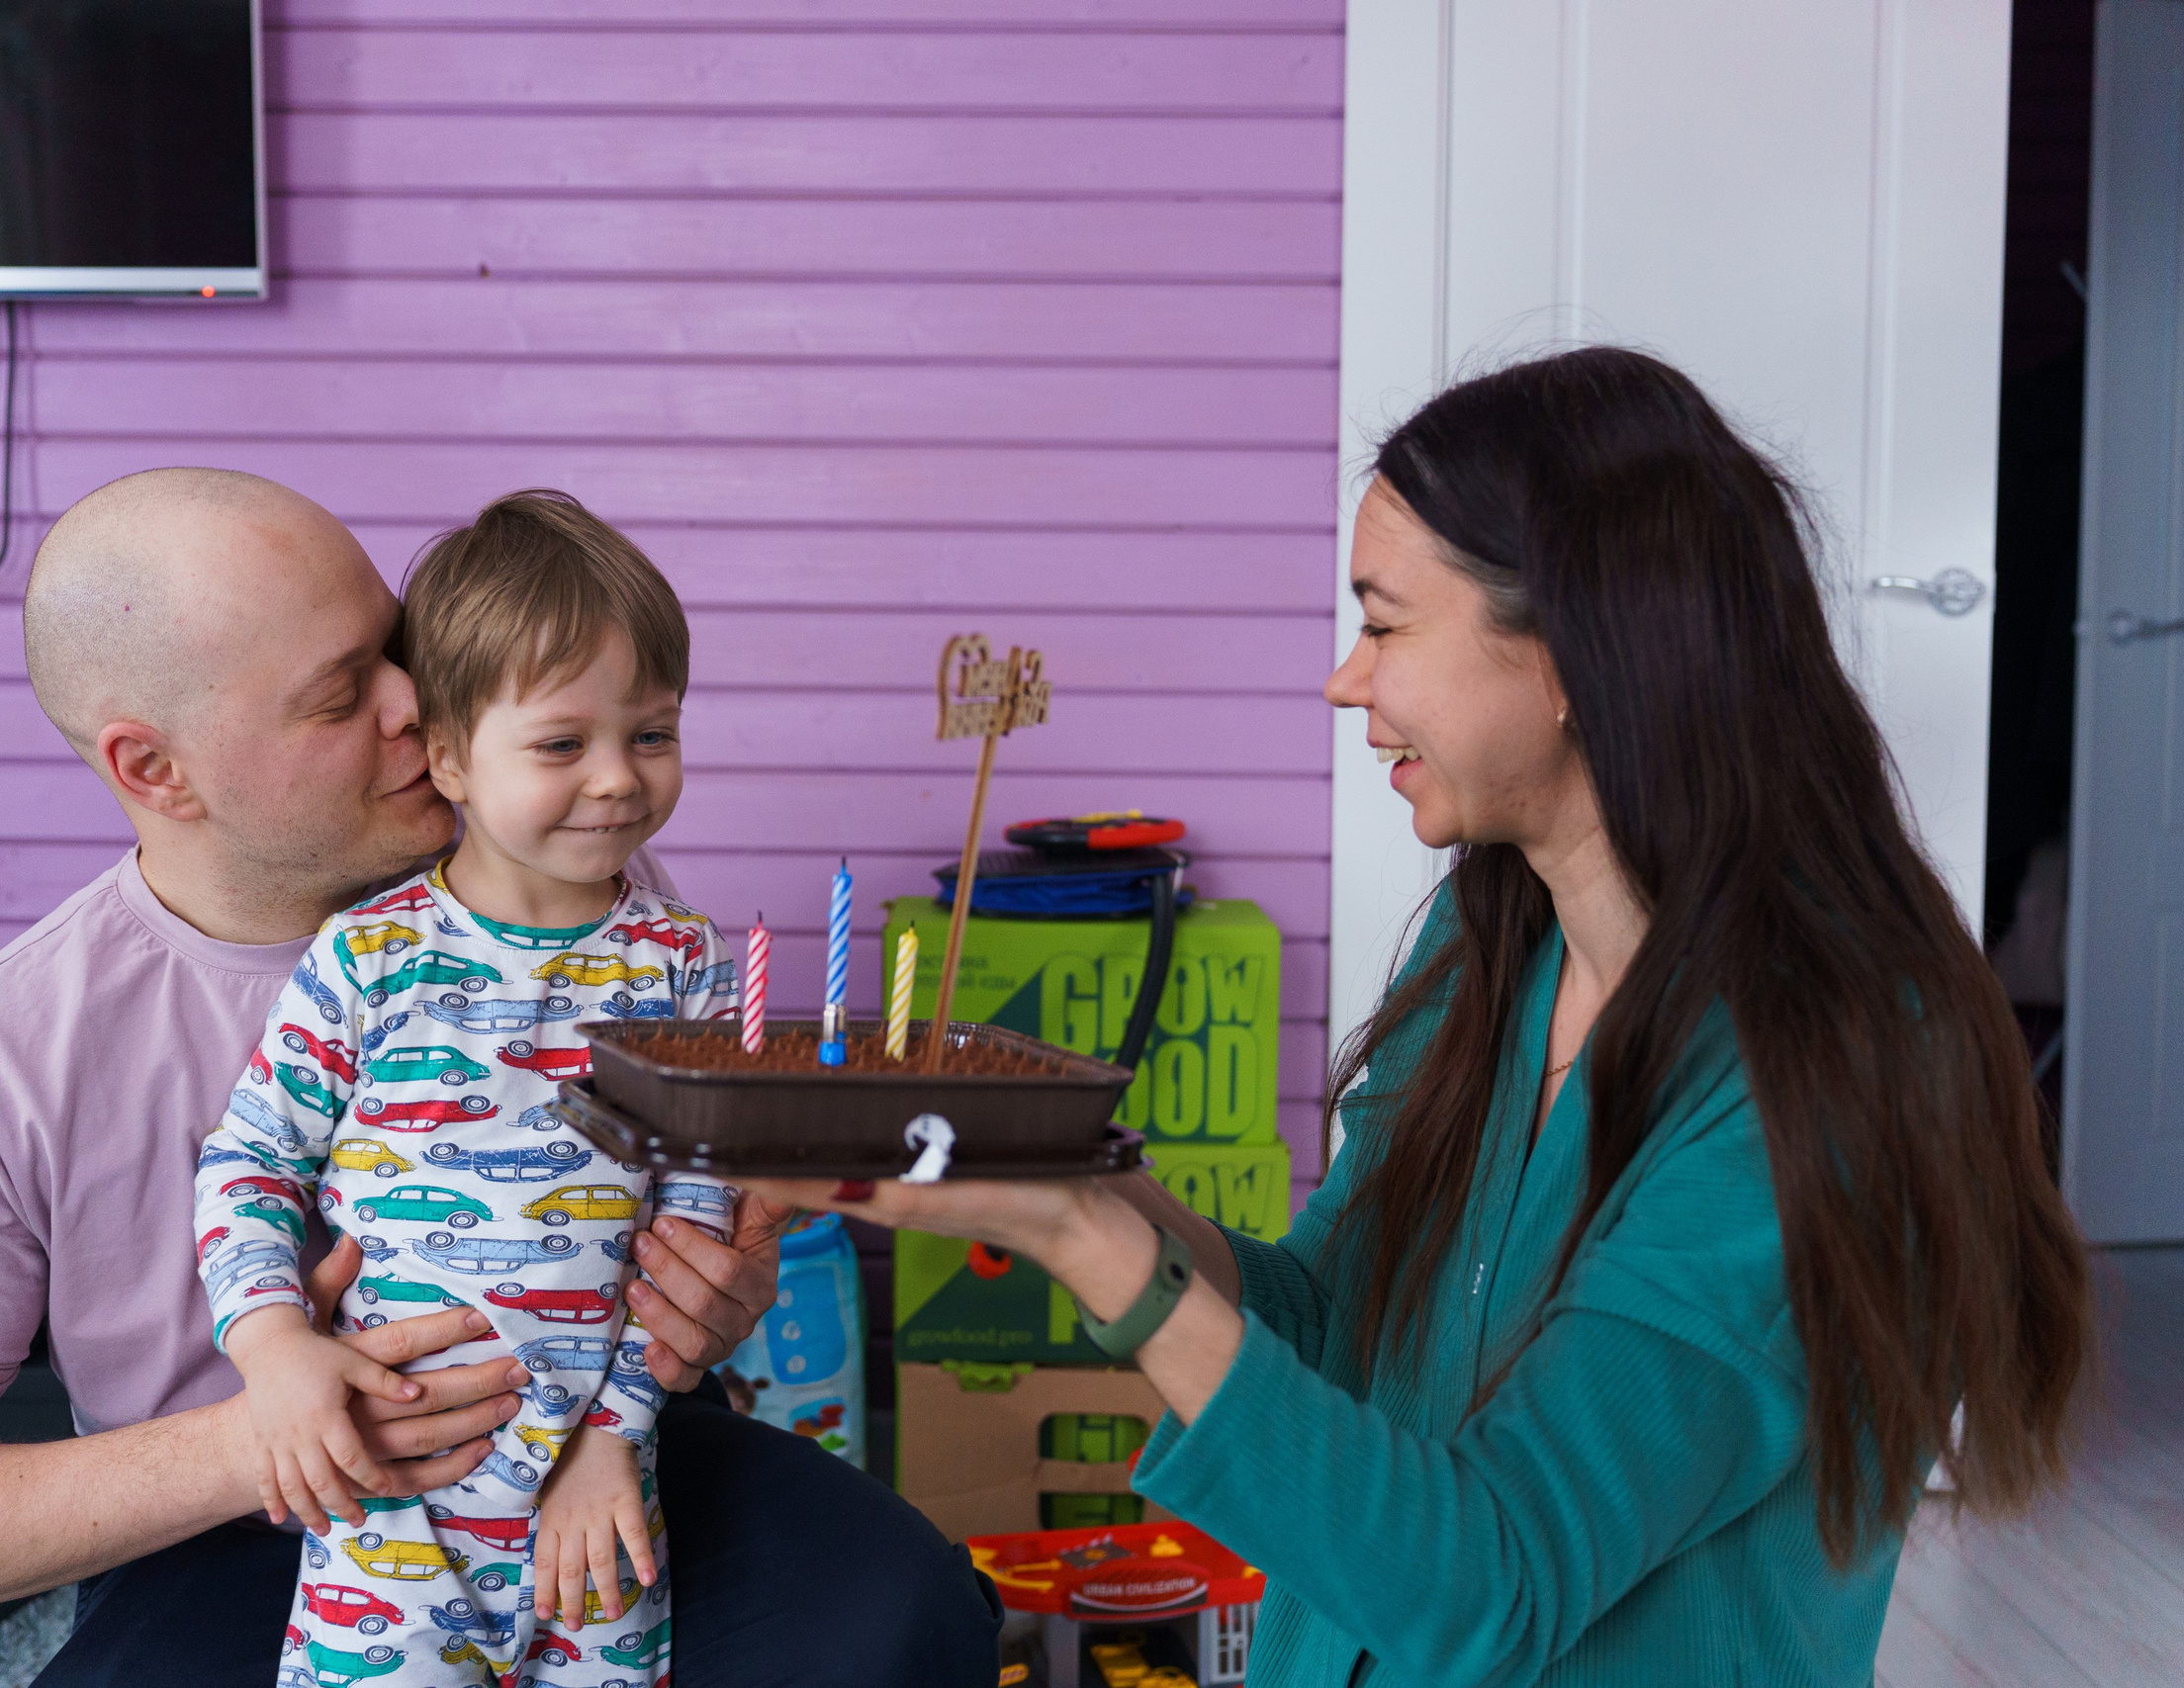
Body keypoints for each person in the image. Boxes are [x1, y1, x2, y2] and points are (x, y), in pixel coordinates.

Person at [745, 348, 2096, 1687]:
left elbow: (1492, 1578)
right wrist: (1080, 1184)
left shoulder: (1831, 1069)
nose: (1347, 679)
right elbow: (1338, 1323)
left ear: (1572, 647)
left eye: (1386, 622)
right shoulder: (1493, 940)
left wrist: (1095, 1247)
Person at [0, 468, 1002, 1687]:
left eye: (400, 650)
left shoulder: (576, 881)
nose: (419, 706)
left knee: (898, 1611)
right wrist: (266, 1430)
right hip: (233, 1531)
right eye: (345, 695)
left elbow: (674, 1200)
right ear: (153, 769)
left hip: (594, 1454)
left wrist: (701, 1288)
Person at [202, 491, 736, 1685]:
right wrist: (275, 1345)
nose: (617, 780)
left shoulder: (683, 966)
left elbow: (690, 1221)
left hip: (596, 1496)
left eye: (652, 734)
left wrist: (612, 1442)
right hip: (387, 1499)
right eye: (562, 743)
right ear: (446, 753)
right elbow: (248, 1162)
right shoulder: (367, 958)